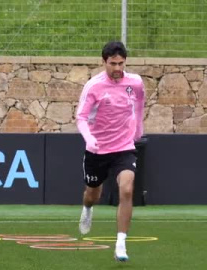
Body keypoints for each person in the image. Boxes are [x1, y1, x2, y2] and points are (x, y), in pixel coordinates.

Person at [75, 41, 145, 262]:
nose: (117, 68)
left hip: (124, 147)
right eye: (112, 63)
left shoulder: (135, 82)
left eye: (121, 63)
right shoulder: (93, 86)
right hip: (97, 149)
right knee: (92, 194)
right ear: (104, 61)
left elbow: (140, 104)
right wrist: (89, 139)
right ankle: (87, 209)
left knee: (126, 189)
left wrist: (138, 129)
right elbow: (81, 117)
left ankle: (121, 244)